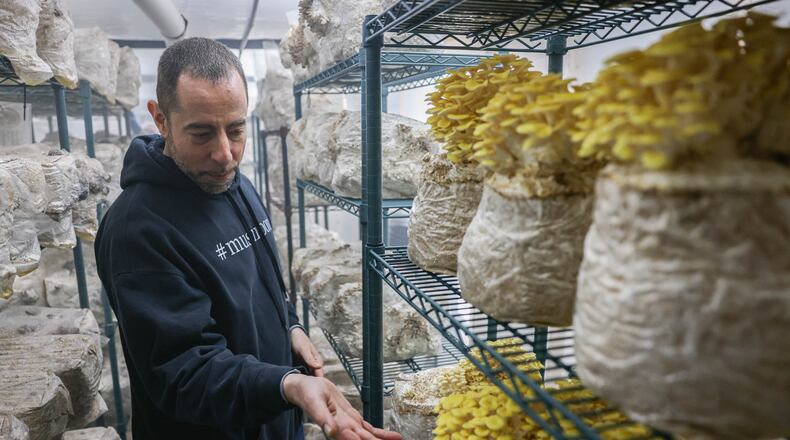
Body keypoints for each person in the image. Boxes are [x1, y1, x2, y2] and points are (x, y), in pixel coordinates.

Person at [95, 37, 402, 440]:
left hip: (270, 416)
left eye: (236, 129)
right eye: (202, 133)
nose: (225, 153)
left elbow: (260, 280)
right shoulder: (137, 231)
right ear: (160, 119)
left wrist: (288, 326)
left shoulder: (231, 183)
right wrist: (287, 385)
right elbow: (184, 371)